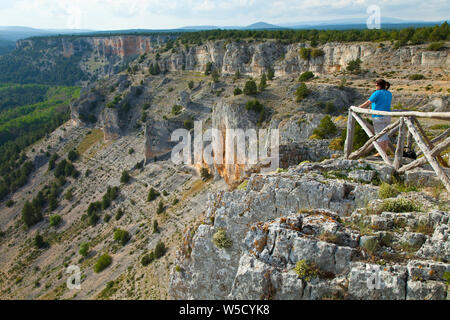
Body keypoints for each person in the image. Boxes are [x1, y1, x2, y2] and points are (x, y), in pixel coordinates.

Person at [356, 79, 392, 153]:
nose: (375, 87)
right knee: (385, 135)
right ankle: (384, 152)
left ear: (378, 85)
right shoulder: (389, 93)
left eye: (376, 85)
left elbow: (368, 102)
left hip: (378, 116)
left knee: (379, 136)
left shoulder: (377, 93)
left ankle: (381, 153)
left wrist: (358, 108)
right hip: (387, 116)